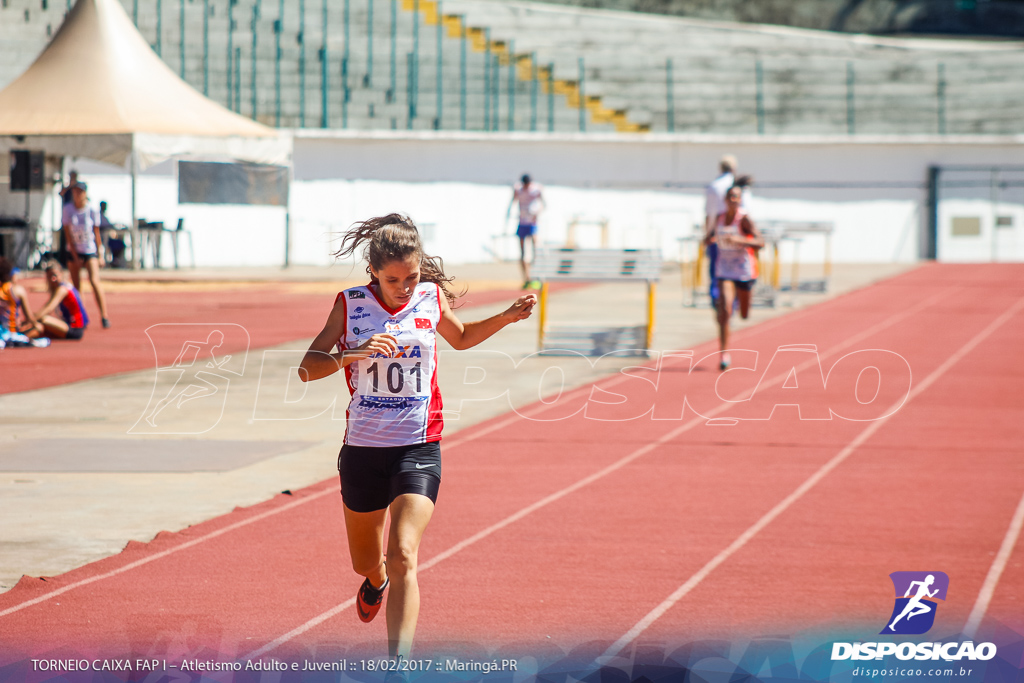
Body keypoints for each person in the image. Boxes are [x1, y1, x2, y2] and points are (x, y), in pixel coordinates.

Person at [298, 214, 536, 667]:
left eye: (411, 277)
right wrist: (355, 353)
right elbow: (307, 368)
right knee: (366, 561)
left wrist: (507, 317)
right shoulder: (349, 305)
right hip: (363, 452)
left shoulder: (429, 296)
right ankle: (376, 580)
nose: (404, 288)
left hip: (418, 446)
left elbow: (461, 338)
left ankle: (398, 667)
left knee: (404, 551)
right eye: (393, 280)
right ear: (373, 273)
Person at [706, 184, 764, 371]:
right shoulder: (719, 219)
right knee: (725, 309)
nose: (733, 200)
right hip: (725, 271)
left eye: (736, 197)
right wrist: (710, 240)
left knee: (745, 315)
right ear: (725, 199)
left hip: (744, 271)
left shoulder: (744, 219)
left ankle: (739, 309)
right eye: (730, 196)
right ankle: (724, 353)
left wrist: (739, 240)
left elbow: (760, 242)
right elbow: (708, 238)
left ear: (740, 200)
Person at [62, 182, 111, 328]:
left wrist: (100, 253)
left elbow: (96, 233)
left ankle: (104, 316)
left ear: (85, 194)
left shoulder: (92, 210)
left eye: (80, 192)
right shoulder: (68, 210)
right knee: (77, 287)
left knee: (94, 281)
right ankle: (81, 317)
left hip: (89, 249)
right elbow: (68, 234)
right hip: (74, 250)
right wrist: (75, 257)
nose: (77, 194)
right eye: (75, 192)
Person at [703, 155, 737, 307]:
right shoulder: (739, 187)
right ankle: (730, 304)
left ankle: (717, 302)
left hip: (718, 236)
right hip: (735, 237)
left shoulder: (714, 186)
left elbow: (709, 214)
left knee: (716, 273)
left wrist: (707, 234)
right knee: (734, 272)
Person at [29, 259, 90, 340]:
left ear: (61, 274)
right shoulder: (62, 287)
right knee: (41, 327)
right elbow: (46, 307)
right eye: (49, 277)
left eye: (55, 275)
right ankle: (24, 336)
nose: (53, 279)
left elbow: (48, 309)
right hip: (69, 325)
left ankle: (22, 336)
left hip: (75, 329)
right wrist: (32, 317)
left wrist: (30, 320)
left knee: (43, 320)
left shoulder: (62, 289)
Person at [0, 258, 49, 349]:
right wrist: (35, 324)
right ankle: (20, 340)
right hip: (10, 331)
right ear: (9, 275)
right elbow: (30, 318)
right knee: (38, 328)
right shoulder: (17, 290)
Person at [506, 174, 545, 288]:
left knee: (534, 248)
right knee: (522, 253)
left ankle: (534, 273)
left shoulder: (536, 190)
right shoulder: (518, 190)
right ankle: (526, 278)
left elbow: (543, 204)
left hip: (532, 223)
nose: (526, 187)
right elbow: (512, 202)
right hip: (522, 222)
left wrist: (537, 213)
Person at [99, 201, 127, 268]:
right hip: (102, 239)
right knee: (115, 244)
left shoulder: (104, 216)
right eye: (103, 206)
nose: (105, 208)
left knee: (120, 244)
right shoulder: (98, 216)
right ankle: (114, 261)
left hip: (108, 239)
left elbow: (110, 226)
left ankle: (115, 261)